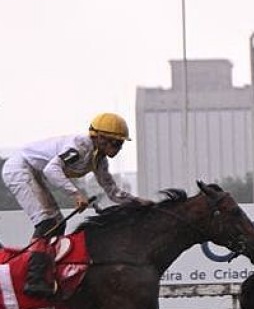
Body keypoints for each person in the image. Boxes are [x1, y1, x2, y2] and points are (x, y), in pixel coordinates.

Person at [1, 112, 146, 298]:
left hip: (32, 171)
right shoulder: (80, 146)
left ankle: (44, 273)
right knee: (47, 222)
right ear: (100, 138)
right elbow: (51, 169)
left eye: (121, 144)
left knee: (58, 224)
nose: (118, 148)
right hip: (19, 169)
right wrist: (76, 194)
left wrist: (141, 203)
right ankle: (34, 278)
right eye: (116, 142)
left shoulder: (99, 160)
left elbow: (113, 191)